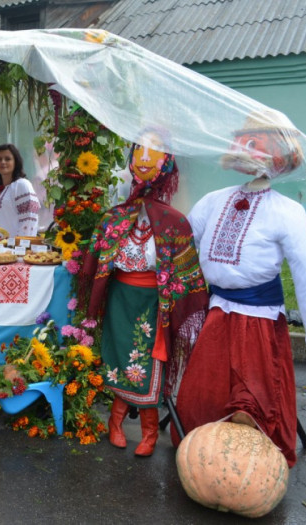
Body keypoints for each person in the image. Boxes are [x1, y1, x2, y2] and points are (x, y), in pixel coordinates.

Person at [173, 110, 306, 467]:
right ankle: (204, 454)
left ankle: (248, 465)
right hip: (217, 315)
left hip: (258, 322)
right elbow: (180, 240)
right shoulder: (214, 200)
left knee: (255, 401)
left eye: (255, 144)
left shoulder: (287, 211)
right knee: (201, 395)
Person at [79, 129, 208, 457]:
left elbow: (188, 273)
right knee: (121, 360)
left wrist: (178, 307)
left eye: (155, 151)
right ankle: (115, 422)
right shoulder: (114, 217)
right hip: (120, 301)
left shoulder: (175, 222)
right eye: (140, 149)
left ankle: (149, 432)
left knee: (148, 365)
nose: (146, 157)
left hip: (155, 305)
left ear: (166, 162)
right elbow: (94, 265)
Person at [0, 144, 40, 238]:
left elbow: (29, 219)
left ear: (15, 162)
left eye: (7, 159)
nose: (3, 162)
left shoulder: (22, 185)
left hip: (11, 249)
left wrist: (21, 246)